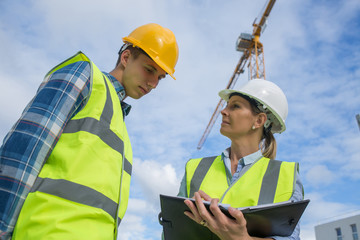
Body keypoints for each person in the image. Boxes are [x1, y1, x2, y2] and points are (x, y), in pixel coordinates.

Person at [0, 23, 179, 240]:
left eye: (160, 77)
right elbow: (24, 151)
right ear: (126, 57)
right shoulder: (85, 76)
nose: (153, 84)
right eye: (149, 69)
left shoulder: (119, 126)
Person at [178, 79, 304, 240]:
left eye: (235, 106)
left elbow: (291, 238)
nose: (223, 111)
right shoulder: (195, 168)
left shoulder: (286, 174)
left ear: (259, 120)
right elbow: (173, 228)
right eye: (226, 105)